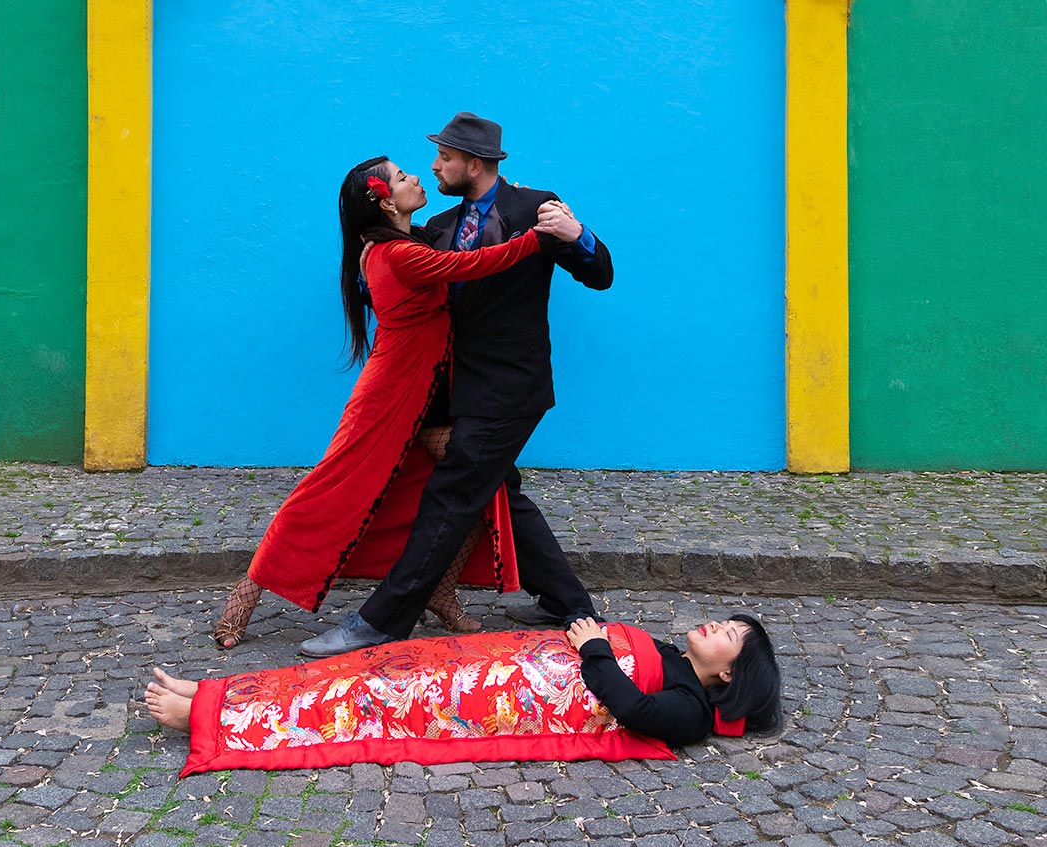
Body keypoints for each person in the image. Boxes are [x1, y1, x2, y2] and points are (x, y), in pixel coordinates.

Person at [213, 156, 579, 649]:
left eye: (421, 168)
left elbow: (455, 242)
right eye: (403, 177)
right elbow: (471, 263)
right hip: (392, 399)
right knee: (331, 493)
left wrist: (529, 207)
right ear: (384, 198)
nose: (419, 175)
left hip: (431, 396)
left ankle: (460, 595)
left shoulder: (406, 242)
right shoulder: (398, 254)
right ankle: (246, 600)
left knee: (488, 487)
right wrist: (540, 237)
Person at [301, 112, 615, 658]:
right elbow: (403, 292)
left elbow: (601, 272)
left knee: (449, 499)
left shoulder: (535, 207)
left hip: (511, 388)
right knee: (498, 491)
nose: (433, 166)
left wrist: (578, 235)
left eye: (443, 158)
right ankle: (571, 604)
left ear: (472, 164)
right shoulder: (439, 229)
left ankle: (380, 620)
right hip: (458, 392)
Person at [144, 613, 783, 774]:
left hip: (505, 695)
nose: (712, 626)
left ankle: (211, 720)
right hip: (506, 660)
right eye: (722, 620)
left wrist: (592, 649)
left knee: (378, 699)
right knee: (379, 662)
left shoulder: (691, 712)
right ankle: (218, 692)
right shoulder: (670, 656)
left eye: (727, 634)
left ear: (729, 674)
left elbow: (635, 709)